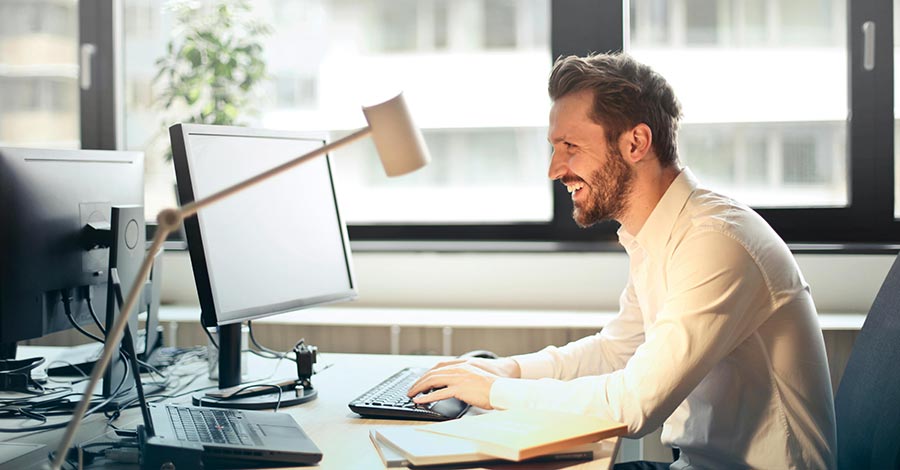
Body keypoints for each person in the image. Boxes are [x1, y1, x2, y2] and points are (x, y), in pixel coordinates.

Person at [407, 53, 836, 469]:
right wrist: (507, 370)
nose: (555, 169)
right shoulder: (660, 233)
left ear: (636, 143)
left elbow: (634, 405)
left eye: (569, 146)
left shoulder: (716, 243)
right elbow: (616, 351)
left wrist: (495, 391)